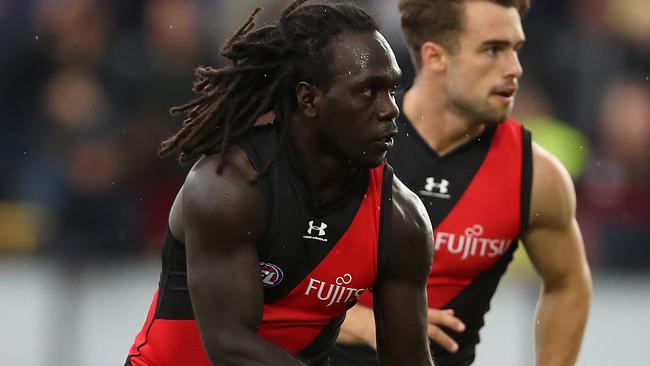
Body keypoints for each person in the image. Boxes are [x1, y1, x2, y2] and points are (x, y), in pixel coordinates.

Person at [124, 1, 435, 365]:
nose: (390, 109)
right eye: (368, 91)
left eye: (392, 90)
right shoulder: (228, 187)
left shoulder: (401, 220)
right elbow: (231, 347)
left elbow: (409, 360)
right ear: (309, 99)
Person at [332, 0, 592, 365]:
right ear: (435, 57)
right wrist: (362, 322)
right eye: (493, 50)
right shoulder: (344, 146)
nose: (514, 69)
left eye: (515, 49)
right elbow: (256, 284)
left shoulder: (536, 176)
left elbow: (568, 284)